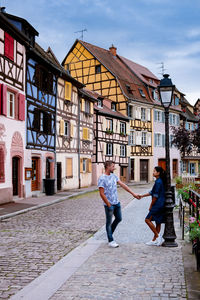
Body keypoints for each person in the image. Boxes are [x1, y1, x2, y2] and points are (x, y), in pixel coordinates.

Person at [98, 160, 139, 248]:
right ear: (108, 166)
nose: (114, 168)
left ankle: (109, 234)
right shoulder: (102, 178)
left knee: (119, 218)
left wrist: (133, 194)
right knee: (108, 222)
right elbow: (101, 193)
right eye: (113, 166)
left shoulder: (114, 176)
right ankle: (111, 240)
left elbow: (123, 185)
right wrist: (108, 205)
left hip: (117, 203)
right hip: (109, 204)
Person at [139, 166, 166, 246]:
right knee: (158, 222)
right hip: (161, 204)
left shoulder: (158, 182)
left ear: (158, 173)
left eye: (154, 171)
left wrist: (151, 205)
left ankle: (158, 236)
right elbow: (152, 192)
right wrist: (142, 195)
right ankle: (155, 240)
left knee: (147, 220)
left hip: (158, 204)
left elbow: (155, 196)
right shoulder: (159, 181)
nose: (153, 172)